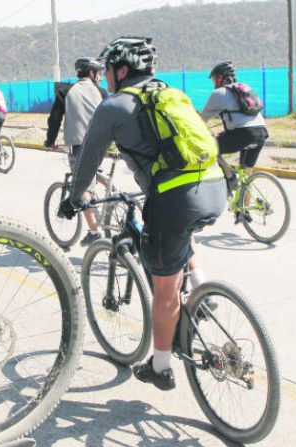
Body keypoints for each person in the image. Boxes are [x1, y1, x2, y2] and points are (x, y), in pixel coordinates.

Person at [59, 35, 227, 391]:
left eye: (107, 69)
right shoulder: (168, 94)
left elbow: (88, 159)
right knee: (181, 232)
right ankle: (202, 290)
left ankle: (161, 366)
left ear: (122, 70)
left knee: (164, 291)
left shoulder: (115, 106)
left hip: (175, 198)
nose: (103, 76)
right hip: (213, 186)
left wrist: (74, 198)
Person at [49, 57, 109, 246]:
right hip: (102, 143)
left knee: (81, 184)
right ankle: (108, 186)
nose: (100, 77)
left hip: (79, 144)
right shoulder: (102, 92)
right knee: (92, 170)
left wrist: (50, 141)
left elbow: (55, 119)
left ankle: (93, 232)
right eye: (98, 74)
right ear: (91, 73)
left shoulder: (66, 91)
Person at [202, 61, 269, 224]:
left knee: (212, 147)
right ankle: (244, 211)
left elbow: (201, 120)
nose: (213, 84)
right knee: (247, 174)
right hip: (261, 132)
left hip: (243, 133)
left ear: (220, 78)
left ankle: (230, 176)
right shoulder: (245, 89)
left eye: (213, 80)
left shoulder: (219, 93)